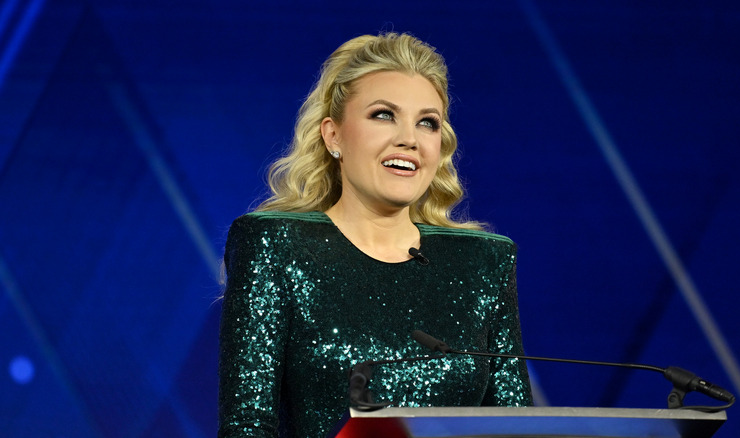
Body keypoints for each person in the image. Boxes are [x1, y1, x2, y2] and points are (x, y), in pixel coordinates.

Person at [218, 32, 532, 438]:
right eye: (384, 115)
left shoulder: (482, 262)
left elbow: (516, 426)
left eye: (427, 122)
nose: (409, 138)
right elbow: (247, 426)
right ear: (333, 136)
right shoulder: (275, 244)